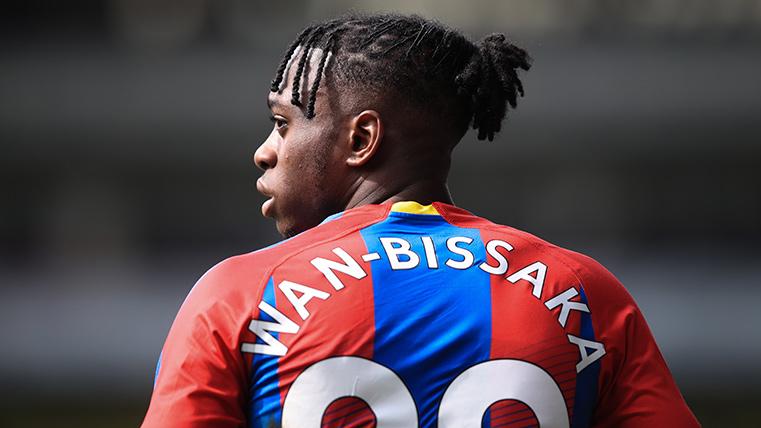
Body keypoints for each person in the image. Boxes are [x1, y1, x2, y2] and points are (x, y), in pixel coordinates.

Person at [141, 13, 699, 428]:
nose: (265, 151)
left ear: (361, 139)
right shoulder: (583, 293)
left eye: (283, 124)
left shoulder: (239, 295)